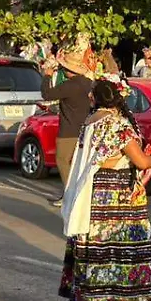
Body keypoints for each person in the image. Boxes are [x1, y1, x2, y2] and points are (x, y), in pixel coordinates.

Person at [59, 75, 151, 301]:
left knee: (101, 260)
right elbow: (140, 161)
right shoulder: (119, 125)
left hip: (96, 196)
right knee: (122, 261)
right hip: (120, 198)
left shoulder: (90, 123)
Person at [40, 46, 95, 207]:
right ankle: (76, 193)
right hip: (85, 127)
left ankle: (69, 194)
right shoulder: (88, 83)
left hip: (69, 129)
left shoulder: (70, 86)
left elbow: (47, 94)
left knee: (62, 160)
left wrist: (47, 77)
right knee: (78, 163)